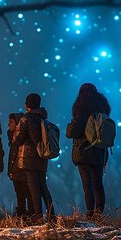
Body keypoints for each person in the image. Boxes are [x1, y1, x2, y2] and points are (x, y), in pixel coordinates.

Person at [66, 83, 111, 218]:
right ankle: (99, 214)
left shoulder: (82, 112)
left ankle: (90, 215)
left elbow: (71, 132)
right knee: (98, 184)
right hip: (100, 151)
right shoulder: (102, 111)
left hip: (84, 152)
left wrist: (69, 125)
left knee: (88, 186)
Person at [12, 93, 55, 222]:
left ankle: (38, 215)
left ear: (26, 106)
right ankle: (52, 214)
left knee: (33, 187)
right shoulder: (43, 118)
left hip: (28, 158)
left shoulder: (26, 119)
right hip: (41, 156)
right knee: (43, 186)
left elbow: (16, 140)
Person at [8, 112, 32, 218]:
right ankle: (22, 214)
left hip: (21, 170)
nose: (9, 125)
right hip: (15, 171)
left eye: (11, 122)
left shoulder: (20, 139)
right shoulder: (12, 138)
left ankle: (29, 215)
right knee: (19, 194)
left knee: (26, 193)